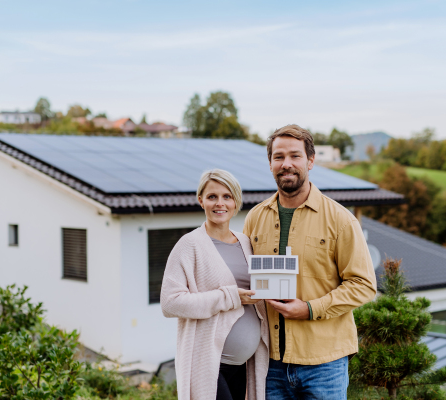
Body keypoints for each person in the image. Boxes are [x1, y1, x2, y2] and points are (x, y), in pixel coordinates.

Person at [243, 124, 377, 399]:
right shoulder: (254, 218)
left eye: (295, 156)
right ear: (270, 163)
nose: (286, 164)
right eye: (278, 157)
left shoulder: (340, 220)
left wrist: (310, 308)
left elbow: (363, 284)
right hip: (269, 363)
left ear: (311, 161)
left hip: (324, 364)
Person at [161, 169, 269, 400]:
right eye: (212, 197)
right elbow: (170, 303)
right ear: (201, 200)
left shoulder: (246, 242)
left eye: (227, 197)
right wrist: (229, 297)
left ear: (236, 202)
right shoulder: (189, 245)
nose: (220, 203)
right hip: (209, 362)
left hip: (243, 364)